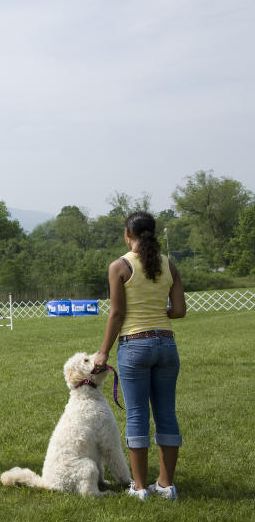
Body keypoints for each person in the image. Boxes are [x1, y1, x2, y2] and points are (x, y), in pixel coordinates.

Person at [94, 211, 186, 500]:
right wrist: (161, 313)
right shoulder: (169, 265)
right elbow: (180, 311)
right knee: (166, 415)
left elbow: (118, 313)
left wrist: (103, 352)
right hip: (167, 344)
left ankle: (139, 486)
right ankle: (166, 484)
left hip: (134, 345)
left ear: (127, 235)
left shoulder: (120, 266)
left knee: (137, 415)